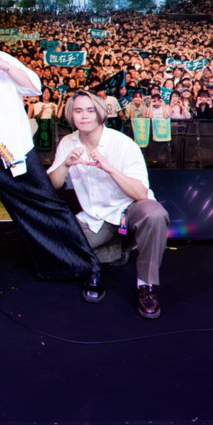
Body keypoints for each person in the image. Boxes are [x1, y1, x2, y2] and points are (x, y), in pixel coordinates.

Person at [0, 13, 103, 299]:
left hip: (11, 149)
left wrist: (5, 67)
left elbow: (34, 87)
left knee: (44, 206)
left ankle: (89, 268)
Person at [47, 90, 169, 319]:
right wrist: (65, 165)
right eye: (78, 111)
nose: (84, 116)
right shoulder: (68, 142)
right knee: (57, 250)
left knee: (154, 214)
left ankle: (147, 286)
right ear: (71, 115)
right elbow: (53, 184)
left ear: (100, 113)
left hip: (128, 211)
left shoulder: (122, 143)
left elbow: (141, 194)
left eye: (90, 110)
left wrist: (109, 168)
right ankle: (114, 250)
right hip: (95, 218)